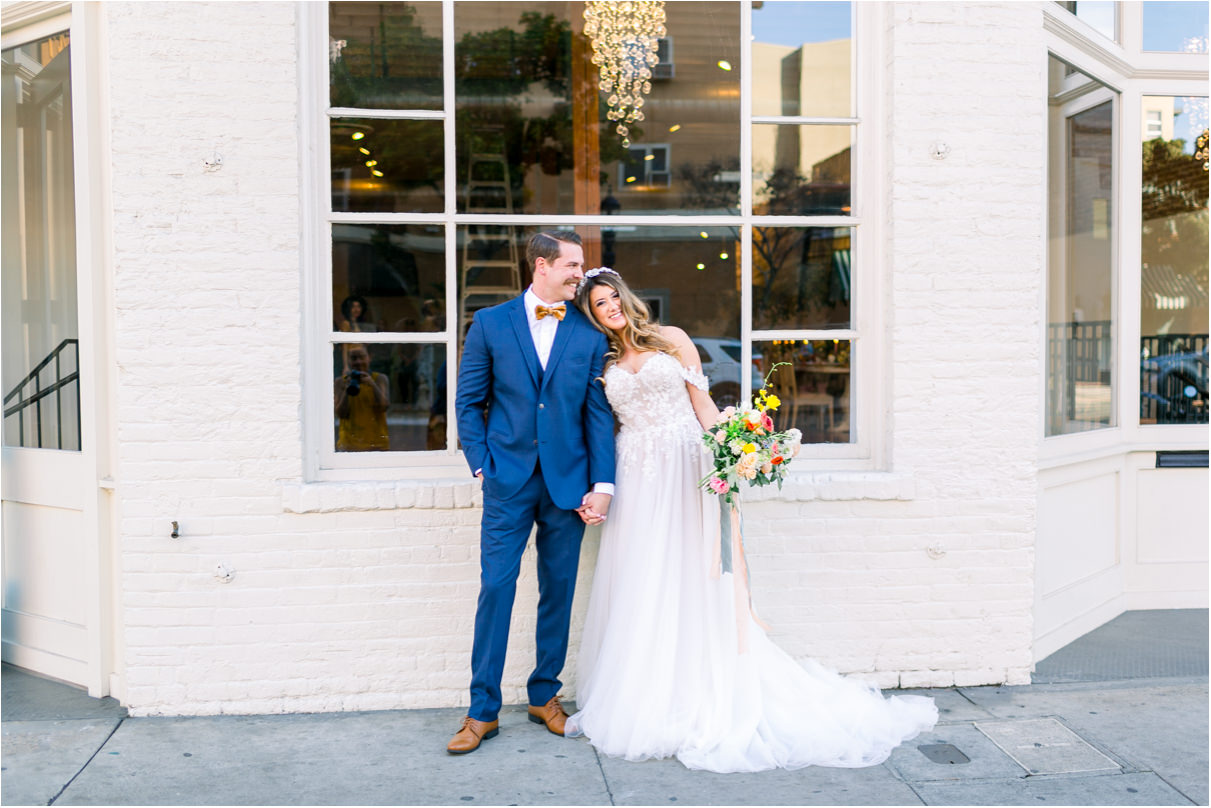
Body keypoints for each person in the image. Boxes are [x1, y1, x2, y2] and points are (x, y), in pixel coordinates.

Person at [565, 267, 938, 773]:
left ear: (625, 298)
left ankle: (700, 683)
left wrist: (736, 452)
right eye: (597, 304)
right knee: (640, 574)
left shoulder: (671, 340)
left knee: (694, 570)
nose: (608, 307)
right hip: (635, 472)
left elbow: (703, 406)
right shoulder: (601, 358)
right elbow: (596, 426)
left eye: (612, 298)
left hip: (685, 464)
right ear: (589, 315)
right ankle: (645, 686)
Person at [449, 231, 616, 755]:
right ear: (542, 266)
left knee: (558, 590)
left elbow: (597, 416)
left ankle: (545, 695)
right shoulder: (491, 323)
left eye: (582, 266)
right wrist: (482, 466)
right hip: (508, 480)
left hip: (567, 482)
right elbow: (468, 400)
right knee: (496, 587)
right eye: (572, 265)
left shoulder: (589, 334)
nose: (580, 274)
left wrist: (603, 484)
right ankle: (482, 711)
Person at [334, 345, 390, 452]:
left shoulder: (379, 379)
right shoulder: (340, 382)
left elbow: (384, 407)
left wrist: (373, 385)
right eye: (354, 358)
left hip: (377, 444)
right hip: (349, 445)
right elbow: (341, 414)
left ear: (370, 357)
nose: (358, 362)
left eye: (362, 357)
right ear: (348, 361)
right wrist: (347, 390)